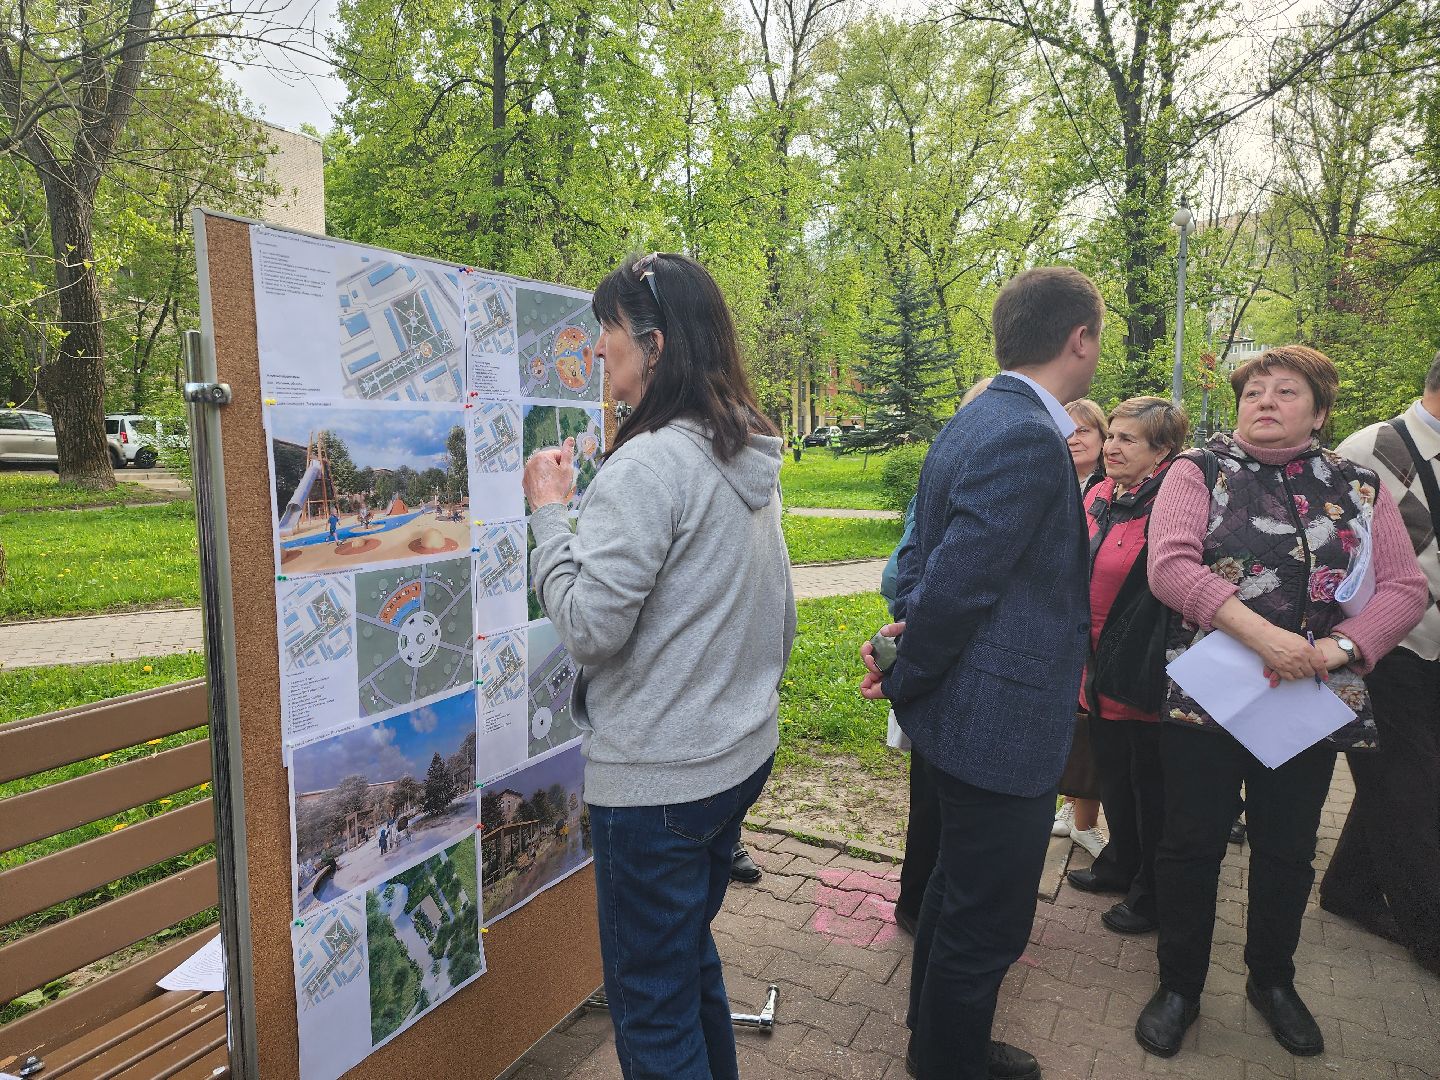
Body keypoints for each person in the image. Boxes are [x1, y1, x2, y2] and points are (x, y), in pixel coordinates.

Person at [523, 252, 795, 1080]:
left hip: (659, 786)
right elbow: (778, 616)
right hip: (733, 758)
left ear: (655, 343)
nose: (598, 351)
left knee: (649, 1004)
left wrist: (547, 518)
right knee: (683, 961)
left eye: (607, 333)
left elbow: (588, 628)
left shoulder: (648, 466)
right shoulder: (742, 451)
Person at [1139, 345, 1429, 1059]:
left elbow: (1402, 588)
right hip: (1208, 697)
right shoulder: (1196, 471)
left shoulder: (1358, 487)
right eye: (1253, 392)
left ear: (1321, 411)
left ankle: (1272, 980)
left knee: (1288, 848)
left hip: (1309, 699)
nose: (1264, 401)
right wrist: (1268, 638)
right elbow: (1171, 566)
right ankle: (1180, 984)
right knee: (1190, 844)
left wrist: (1335, 652)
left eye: (1286, 391)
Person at [861, 266, 1103, 1080]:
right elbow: (958, 582)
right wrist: (907, 669)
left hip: (965, 716)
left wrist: (904, 646)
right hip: (995, 727)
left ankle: (939, 1044)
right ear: (1079, 339)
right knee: (986, 923)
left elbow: (931, 562)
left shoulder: (976, 420)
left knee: (950, 896)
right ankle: (949, 1063)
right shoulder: (1028, 438)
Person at [1319, 349, 1440, 976]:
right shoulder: (1373, 448)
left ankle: (1349, 890)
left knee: (1402, 779)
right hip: (1390, 645)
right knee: (1414, 787)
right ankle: (1430, 928)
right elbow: (1338, 547)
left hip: (1435, 645)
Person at [1064, 397, 1190, 938]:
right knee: (1112, 770)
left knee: (1149, 783)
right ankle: (1120, 863)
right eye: (1110, 435)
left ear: (1162, 451)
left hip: (1143, 662)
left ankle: (1152, 895)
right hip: (1094, 659)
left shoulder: (1172, 503)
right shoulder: (1100, 494)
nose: (1111, 446)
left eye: (1127, 439)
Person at [885, 376, 992, 937]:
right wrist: (911, 642)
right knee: (933, 800)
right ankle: (918, 904)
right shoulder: (946, 480)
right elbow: (905, 565)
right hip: (942, 669)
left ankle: (928, 903)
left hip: (951, 669)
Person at [1052, 398, 1110, 860]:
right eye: (1066, 430)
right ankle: (1068, 805)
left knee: (1090, 716)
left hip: (1093, 621)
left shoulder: (1110, 489)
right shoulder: (1051, 480)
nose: (1073, 438)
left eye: (1084, 431)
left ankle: (1084, 815)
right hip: (1056, 616)